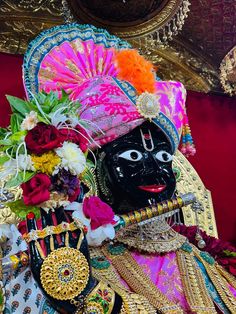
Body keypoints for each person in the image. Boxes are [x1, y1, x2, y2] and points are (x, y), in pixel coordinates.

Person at [1, 23, 236, 314]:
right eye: (133, 156)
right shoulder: (69, 255)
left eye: (164, 158)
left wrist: (86, 296)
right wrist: (71, 286)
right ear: (93, 168)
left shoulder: (198, 251)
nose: (154, 171)